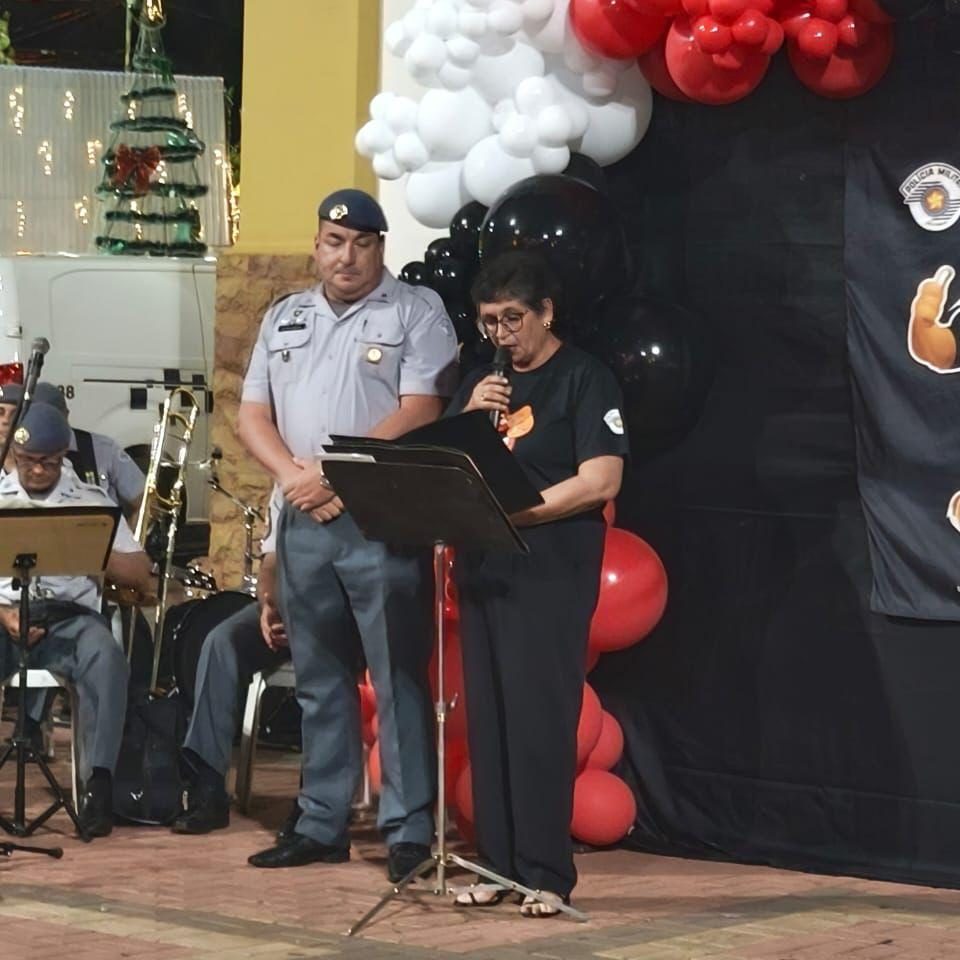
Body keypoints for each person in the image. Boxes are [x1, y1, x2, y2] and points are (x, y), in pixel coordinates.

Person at [237, 188, 458, 877]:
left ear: (380, 247)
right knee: (319, 679)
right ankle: (321, 822)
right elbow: (252, 415)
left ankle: (408, 830)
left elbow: (422, 407)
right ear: (316, 246)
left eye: (362, 243)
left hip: (379, 517)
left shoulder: (415, 310)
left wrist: (335, 471)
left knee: (396, 678)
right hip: (304, 517)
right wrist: (294, 479)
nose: (347, 256)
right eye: (335, 242)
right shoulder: (284, 316)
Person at [445, 251, 628, 917]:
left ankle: (547, 873)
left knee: (538, 721)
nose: (501, 334)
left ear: (546, 313)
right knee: (490, 719)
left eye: (512, 319)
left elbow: (600, 480)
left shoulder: (584, 379)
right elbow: (445, 468)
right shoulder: (483, 382)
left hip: (548, 569)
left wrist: (519, 513)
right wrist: (469, 412)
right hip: (486, 568)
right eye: (489, 321)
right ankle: (498, 866)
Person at [0, 402, 155, 837]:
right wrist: (5, 614)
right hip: (5, 618)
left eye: (47, 462)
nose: (36, 470)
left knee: (106, 656)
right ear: (15, 454)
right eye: (28, 460)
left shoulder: (91, 501)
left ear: (62, 456)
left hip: (69, 620)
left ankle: (99, 785)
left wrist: (88, 550)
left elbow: (140, 572)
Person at [172, 489, 296, 836]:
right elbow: (270, 562)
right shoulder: (285, 486)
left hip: (329, 609)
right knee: (221, 641)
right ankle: (209, 785)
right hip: (284, 603)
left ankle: (314, 804)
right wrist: (269, 605)